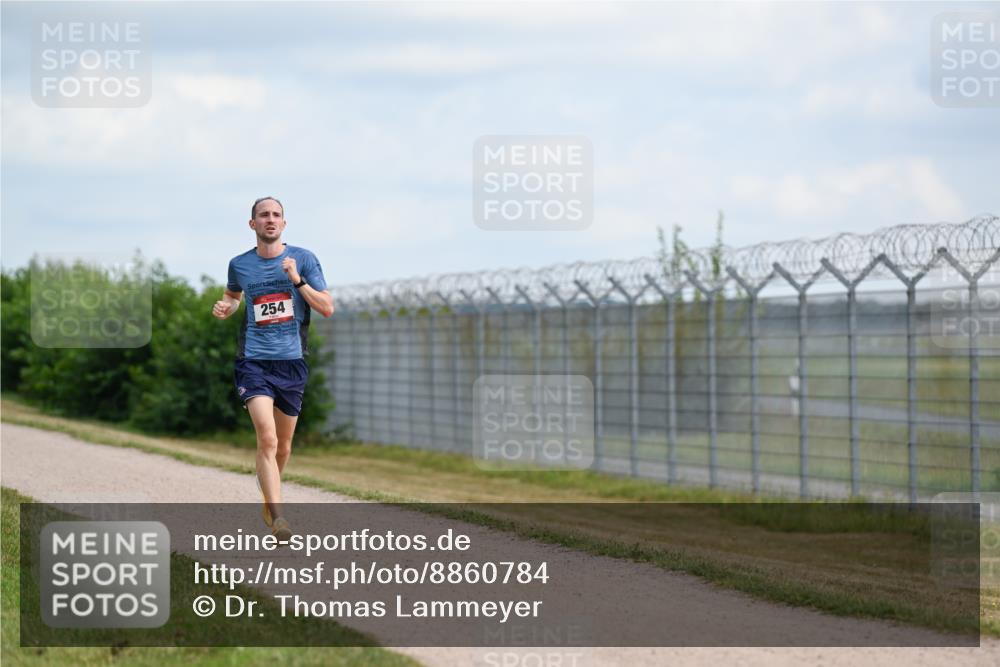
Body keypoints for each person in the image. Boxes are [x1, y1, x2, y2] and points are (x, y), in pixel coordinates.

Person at [211, 196, 334, 540]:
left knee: (283, 447)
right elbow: (233, 297)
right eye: (263, 215)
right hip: (253, 361)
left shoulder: (304, 260)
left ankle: (268, 495)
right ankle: (279, 518)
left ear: (284, 223)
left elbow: (326, 307)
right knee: (266, 437)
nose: (270, 220)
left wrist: (296, 279)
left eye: (276, 215)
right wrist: (226, 306)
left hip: (292, 362)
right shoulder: (240, 264)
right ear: (253, 224)